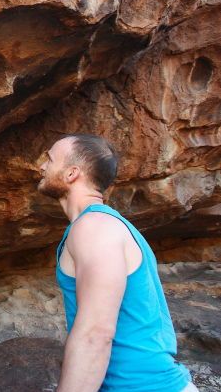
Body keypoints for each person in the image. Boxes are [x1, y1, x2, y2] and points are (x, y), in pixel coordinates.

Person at [37, 134, 196, 392]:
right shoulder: (101, 225)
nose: (42, 167)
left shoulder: (95, 227)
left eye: (50, 159)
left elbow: (95, 333)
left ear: (71, 174)